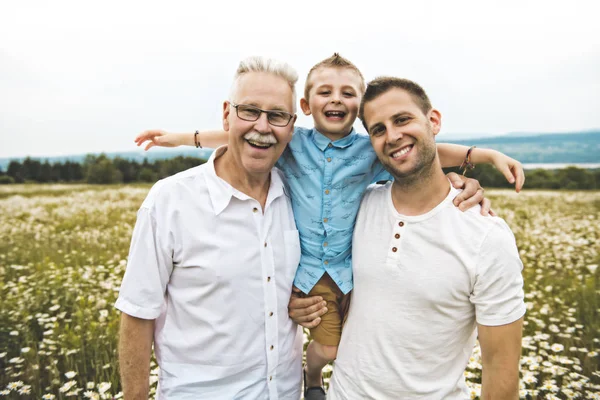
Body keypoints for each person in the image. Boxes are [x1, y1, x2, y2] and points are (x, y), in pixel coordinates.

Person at [134, 54, 524, 399]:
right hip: (309, 271)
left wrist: (481, 158)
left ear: (357, 109)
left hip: (346, 268)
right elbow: (245, 132)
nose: (335, 99)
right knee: (330, 345)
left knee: (347, 335)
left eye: (347, 93)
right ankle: (314, 375)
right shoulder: (290, 142)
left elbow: (427, 152)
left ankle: (315, 374)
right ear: (305, 106)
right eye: (324, 92)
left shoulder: (369, 150)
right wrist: (179, 139)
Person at [291, 76, 526, 399]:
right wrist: (298, 301)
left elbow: (500, 367)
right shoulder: (362, 206)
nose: (393, 136)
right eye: (378, 129)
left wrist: (473, 164)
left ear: (433, 121)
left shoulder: (486, 236)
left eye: (402, 120)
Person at [116, 56, 306, 399]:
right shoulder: (170, 200)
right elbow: (137, 314)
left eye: (277, 115)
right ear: (226, 115)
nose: (262, 127)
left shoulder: (300, 196)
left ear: (291, 127)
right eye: (249, 110)